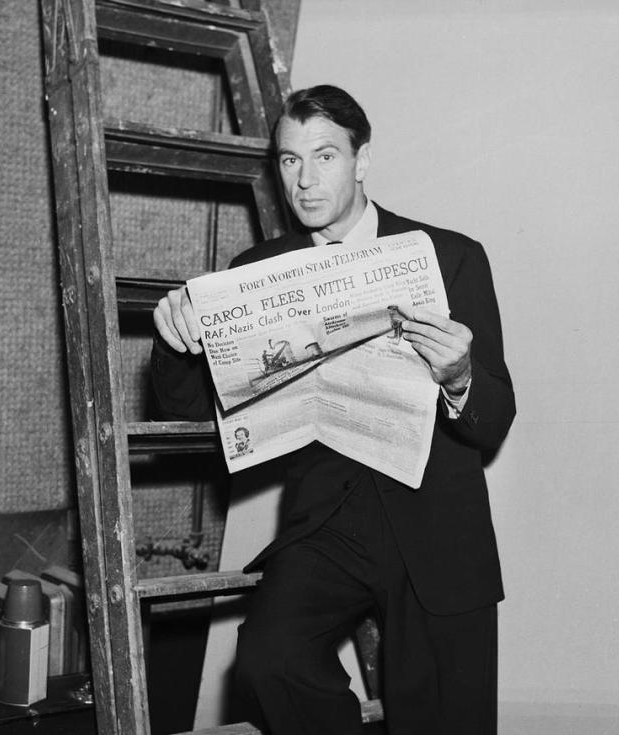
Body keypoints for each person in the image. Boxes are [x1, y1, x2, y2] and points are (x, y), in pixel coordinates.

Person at [150, 85, 515, 735]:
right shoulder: (257, 271)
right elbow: (196, 414)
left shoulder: (449, 256)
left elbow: (495, 421)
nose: (305, 180)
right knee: (268, 660)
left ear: (362, 159)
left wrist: (459, 375)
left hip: (434, 522)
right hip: (327, 521)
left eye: (324, 157)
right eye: (289, 161)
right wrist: (174, 343)